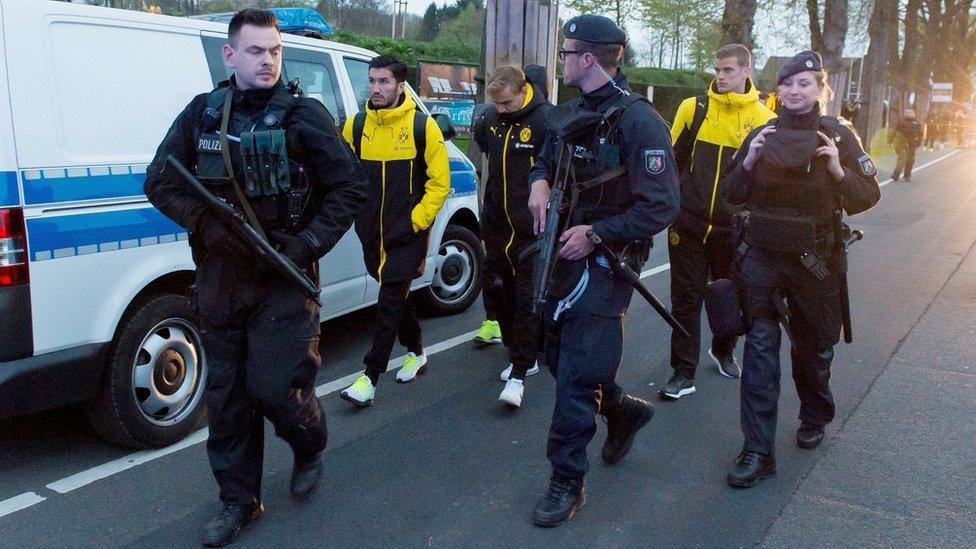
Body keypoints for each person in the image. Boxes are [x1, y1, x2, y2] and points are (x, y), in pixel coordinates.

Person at [143, 9, 368, 546]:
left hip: (283, 279)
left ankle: (309, 440)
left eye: (274, 51)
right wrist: (204, 222)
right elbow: (159, 179)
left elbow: (349, 189)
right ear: (230, 55)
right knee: (227, 402)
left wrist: (307, 241)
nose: (267, 61)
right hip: (221, 281)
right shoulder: (202, 115)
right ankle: (239, 501)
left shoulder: (303, 117)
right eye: (255, 51)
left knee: (275, 388)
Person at [525, 15, 680, 526]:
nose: (561, 60)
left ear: (589, 58)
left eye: (567, 52)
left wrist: (597, 234)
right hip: (559, 252)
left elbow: (661, 206)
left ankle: (566, 481)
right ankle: (620, 409)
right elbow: (545, 159)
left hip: (608, 260)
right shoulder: (569, 113)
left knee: (574, 375)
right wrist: (539, 182)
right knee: (554, 355)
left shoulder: (641, 122)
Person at [720, 50, 880, 488]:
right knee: (759, 354)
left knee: (812, 351)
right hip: (763, 259)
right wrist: (749, 163)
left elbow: (868, 197)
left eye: (804, 83)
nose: (794, 91)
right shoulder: (761, 132)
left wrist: (837, 170)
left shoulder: (839, 135)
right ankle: (757, 451)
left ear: (820, 90)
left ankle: (814, 413)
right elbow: (731, 195)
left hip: (814, 263)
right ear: (779, 90)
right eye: (788, 84)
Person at [661, 44, 776, 400]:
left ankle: (723, 350)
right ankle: (683, 372)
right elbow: (670, 161)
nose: (720, 77)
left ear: (746, 71)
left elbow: (765, 180)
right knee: (685, 299)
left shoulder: (763, 118)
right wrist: (673, 207)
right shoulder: (693, 109)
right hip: (689, 225)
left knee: (729, 298)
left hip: (733, 231)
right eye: (717, 70)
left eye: (728, 70)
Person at [338, 55, 450, 407]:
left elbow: (439, 183)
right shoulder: (355, 126)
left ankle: (370, 377)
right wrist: (357, 214)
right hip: (371, 232)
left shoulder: (422, 126)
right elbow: (343, 175)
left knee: (387, 301)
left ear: (401, 86)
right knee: (395, 297)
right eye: (372, 81)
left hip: (407, 233)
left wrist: (416, 221)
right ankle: (416, 350)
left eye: (384, 81)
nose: (376, 88)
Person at [471, 65, 551, 407]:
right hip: (496, 225)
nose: (500, 110)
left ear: (523, 90)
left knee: (526, 299)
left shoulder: (546, 122)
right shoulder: (489, 119)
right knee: (498, 292)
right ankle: (518, 348)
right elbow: (484, 148)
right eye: (496, 105)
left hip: (531, 229)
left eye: (506, 103)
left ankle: (521, 366)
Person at [889, 109, 923, 182]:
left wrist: (890, 141)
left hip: (903, 143)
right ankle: (906, 175)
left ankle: (897, 174)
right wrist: (918, 142)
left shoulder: (902, 122)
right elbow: (920, 134)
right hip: (911, 143)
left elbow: (895, 131)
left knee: (902, 158)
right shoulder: (916, 123)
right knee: (909, 159)